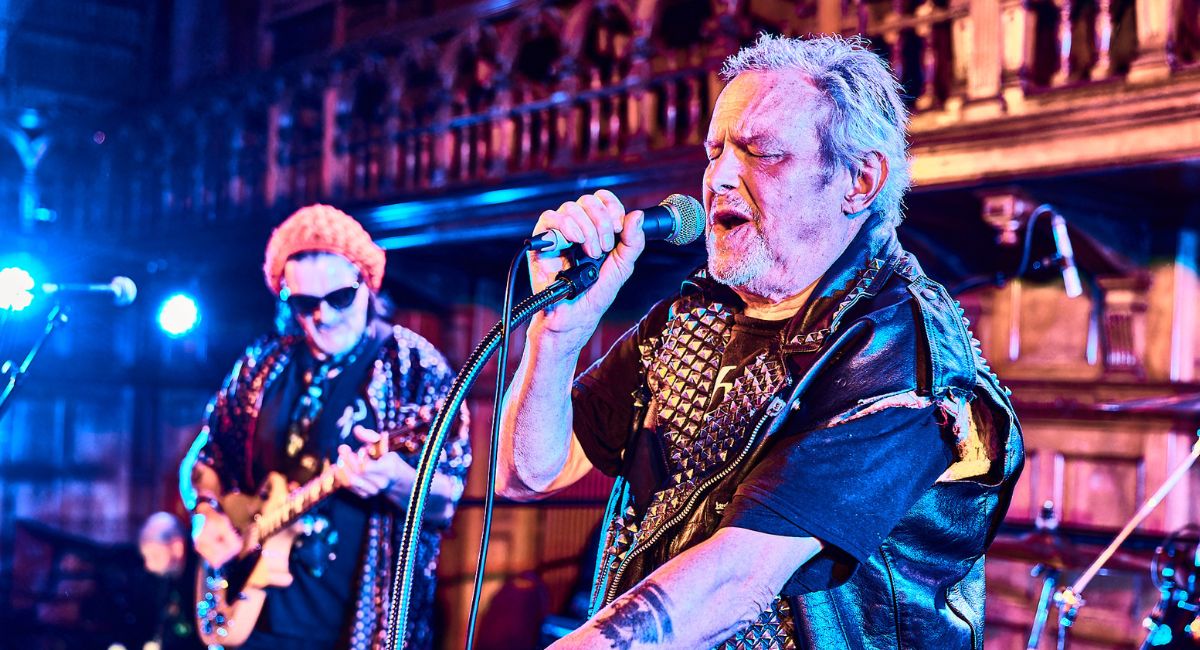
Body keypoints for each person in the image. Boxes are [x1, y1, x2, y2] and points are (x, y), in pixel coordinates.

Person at [496, 33, 1023, 648]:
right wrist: (557, 335)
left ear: (860, 181)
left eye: (762, 154)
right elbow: (527, 473)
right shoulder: (693, 314)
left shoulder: (903, 355)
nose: (719, 178)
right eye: (715, 152)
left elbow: (739, 580)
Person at [179, 204, 470, 650]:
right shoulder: (264, 363)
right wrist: (205, 512)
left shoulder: (412, 364)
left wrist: (395, 479)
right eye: (304, 303)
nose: (324, 316)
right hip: (254, 615)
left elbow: (446, 497)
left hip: (356, 628)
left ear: (368, 286)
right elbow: (206, 454)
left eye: (340, 298)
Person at [138, 512, 205, 650]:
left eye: (155, 556)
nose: (149, 566)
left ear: (177, 546)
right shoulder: (167, 581)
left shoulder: (200, 576)